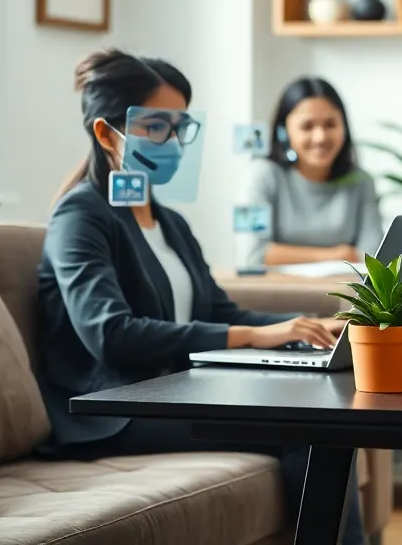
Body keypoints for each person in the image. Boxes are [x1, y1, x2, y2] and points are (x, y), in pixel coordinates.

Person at [36, 49, 368, 544]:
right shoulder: (80, 217)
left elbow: (218, 312)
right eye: (156, 128)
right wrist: (255, 334)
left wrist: (305, 325)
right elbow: (110, 335)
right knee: (311, 427)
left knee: (325, 407)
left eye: (180, 127)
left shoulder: (169, 221)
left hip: (174, 390)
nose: (172, 142)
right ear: (107, 134)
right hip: (114, 411)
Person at [240, 76, 384, 267]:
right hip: (277, 293)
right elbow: (252, 255)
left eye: (330, 125)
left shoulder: (361, 181)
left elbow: (373, 258)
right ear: (284, 131)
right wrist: (338, 254)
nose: (320, 137)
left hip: (345, 295)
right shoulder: (259, 175)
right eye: (307, 126)